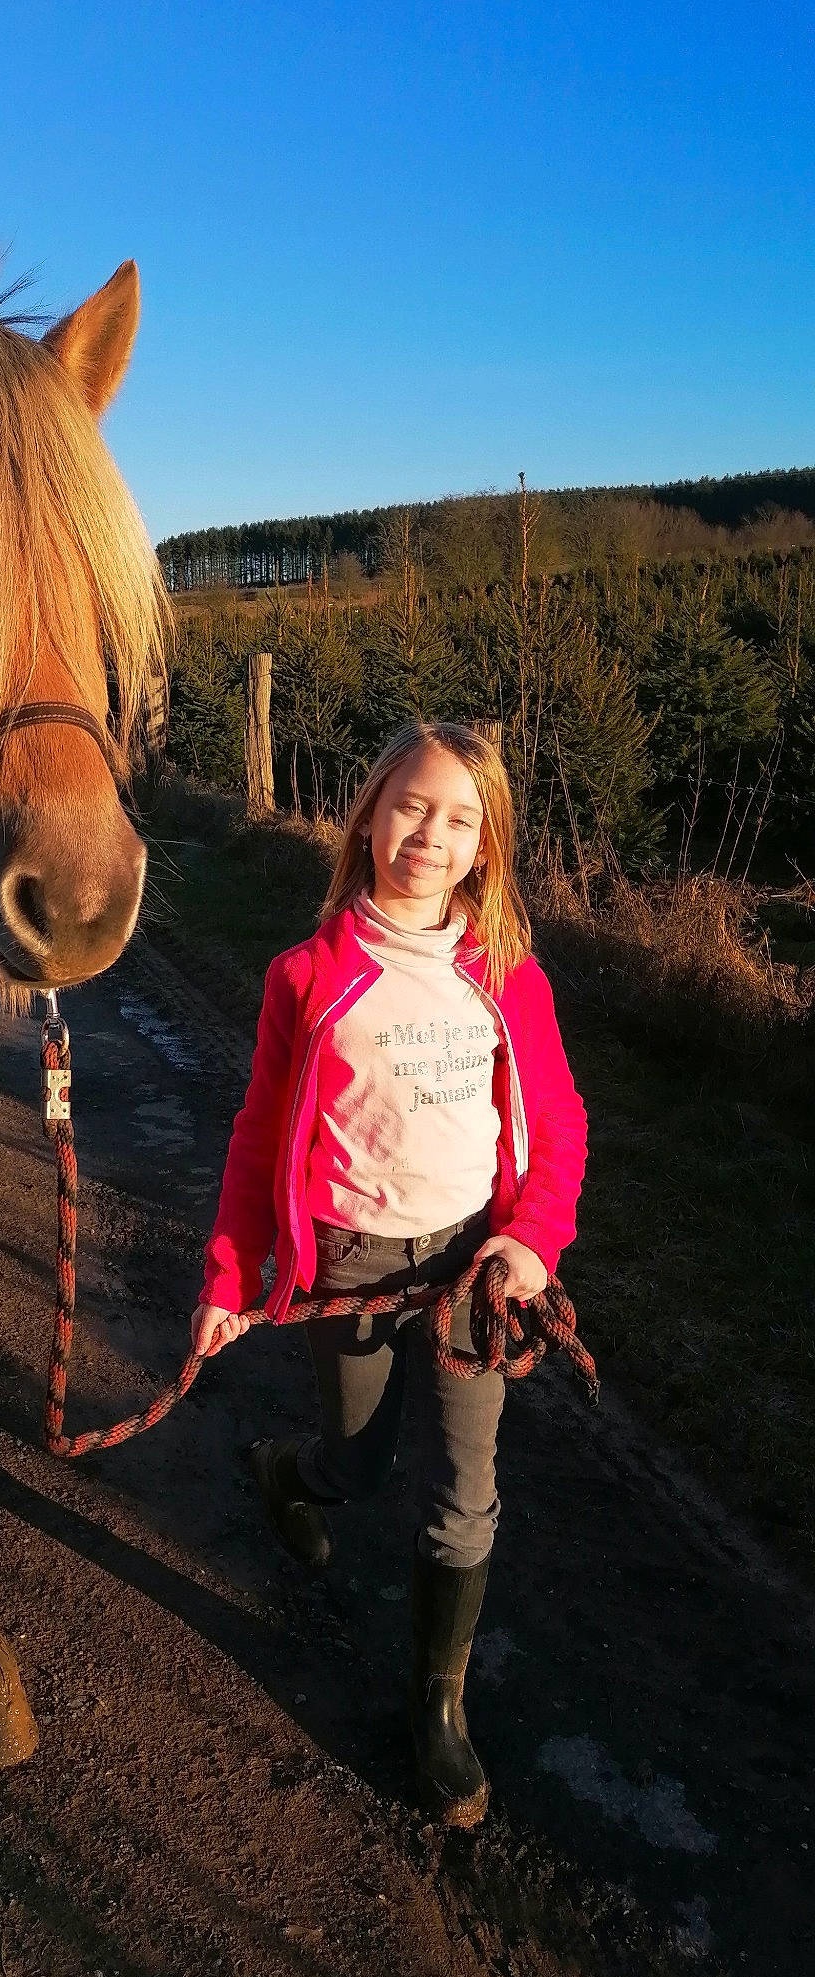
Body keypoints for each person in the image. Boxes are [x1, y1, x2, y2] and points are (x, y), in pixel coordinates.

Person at [191, 720, 586, 1828]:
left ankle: (438, 1704)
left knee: (467, 1492)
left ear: (486, 844)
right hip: (353, 1261)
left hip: (475, 1270)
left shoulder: (508, 973)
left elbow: (558, 1117)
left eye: (461, 818)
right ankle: (290, 1472)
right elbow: (261, 1132)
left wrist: (533, 1238)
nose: (431, 833)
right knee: (361, 1466)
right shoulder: (306, 976)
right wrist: (231, 1275)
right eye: (411, 805)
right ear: (366, 813)